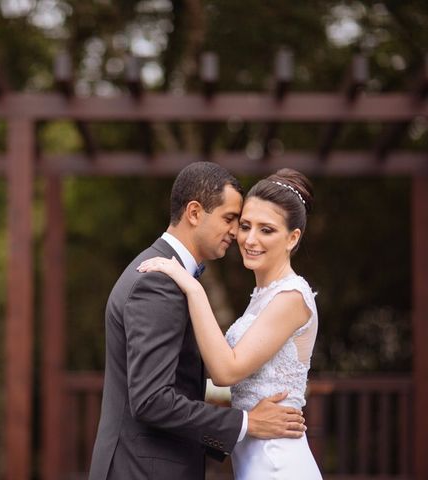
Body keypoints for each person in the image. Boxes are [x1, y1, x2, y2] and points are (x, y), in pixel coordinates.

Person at [88, 162, 307, 480]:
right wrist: (246, 423)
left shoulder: (171, 277)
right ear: (194, 212)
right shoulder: (159, 282)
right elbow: (151, 400)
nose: (237, 233)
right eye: (230, 219)